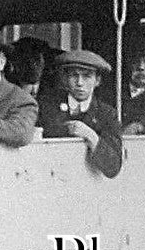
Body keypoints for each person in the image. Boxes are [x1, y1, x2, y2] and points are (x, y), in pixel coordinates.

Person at [39, 50, 122, 178]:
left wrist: (91, 136)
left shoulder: (107, 114)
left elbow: (113, 167)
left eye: (87, 76)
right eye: (74, 75)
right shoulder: (47, 107)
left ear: (97, 81)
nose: (79, 83)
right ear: (65, 79)